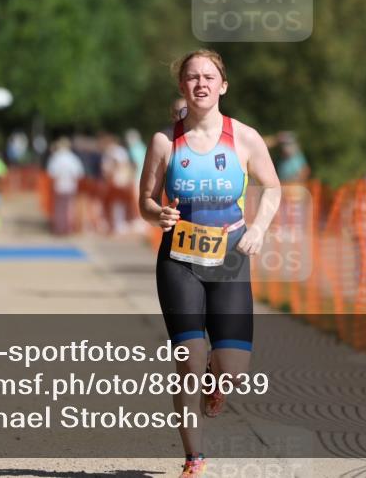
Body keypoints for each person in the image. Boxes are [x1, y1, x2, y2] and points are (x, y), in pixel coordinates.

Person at [139, 49, 281, 477]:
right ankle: (194, 458)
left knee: (233, 373)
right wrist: (157, 214)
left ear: (223, 85)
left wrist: (258, 229)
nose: (200, 83)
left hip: (229, 259)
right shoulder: (164, 141)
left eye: (208, 76)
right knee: (188, 356)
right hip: (179, 260)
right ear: (182, 86)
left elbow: (273, 187)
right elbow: (145, 200)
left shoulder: (245, 138)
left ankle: (214, 380)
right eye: (192, 77)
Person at [46, 137, 84, 234]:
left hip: (59, 186)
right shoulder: (73, 158)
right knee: (69, 207)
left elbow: (51, 173)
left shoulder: (56, 157)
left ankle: (59, 228)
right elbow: (79, 173)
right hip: (71, 186)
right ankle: (68, 228)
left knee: (59, 208)